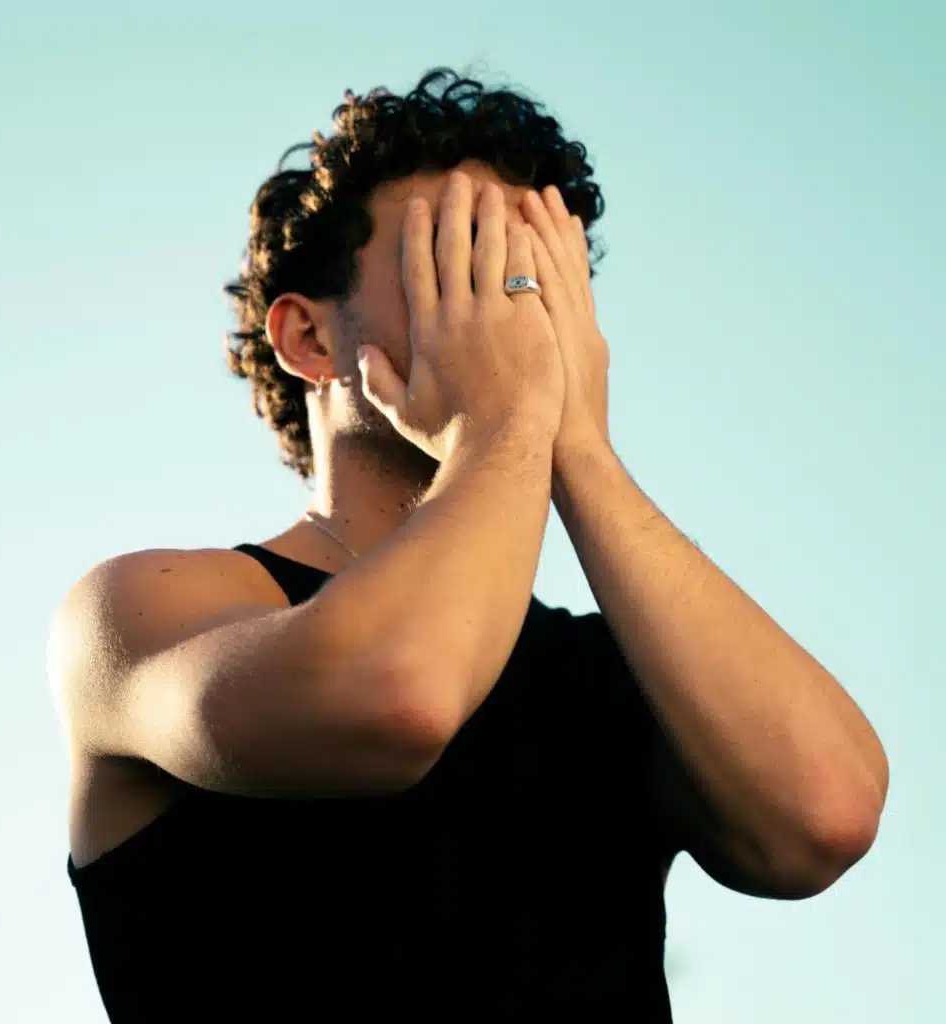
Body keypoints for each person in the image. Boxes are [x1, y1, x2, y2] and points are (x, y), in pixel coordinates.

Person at [49, 67, 887, 1022]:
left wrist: (580, 450)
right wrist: (502, 424)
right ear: (310, 338)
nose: (514, 311)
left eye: (540, 276)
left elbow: (825, 816)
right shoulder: (145, 609)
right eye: (459, 260)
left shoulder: (611, 671)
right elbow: (399, 696)